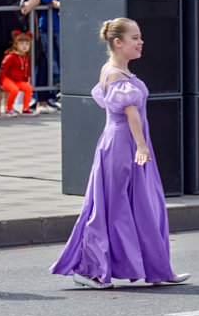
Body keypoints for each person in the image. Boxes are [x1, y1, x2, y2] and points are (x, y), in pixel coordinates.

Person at [50, 18, 190, 289]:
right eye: (135, 38)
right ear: (118, 42)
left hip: (125, 144)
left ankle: (158, 269)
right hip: (122, 146)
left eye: (139, 37)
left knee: (143, 205)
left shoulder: (116, 71)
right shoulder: (114, 73)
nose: (141, 42)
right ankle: (90, 270)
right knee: (114, 208)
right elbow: (130, 113)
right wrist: (141, 146)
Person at [36, 0, 61, 113]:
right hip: (45, 28)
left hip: (58, 29)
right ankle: (56, 78)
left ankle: (58, 82)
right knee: (49, 55)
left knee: (59, 54)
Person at [0, 30, 35, 116]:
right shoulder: (11, 56)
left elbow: (27, 70)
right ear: (16, 45)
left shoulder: (26, 58)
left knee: (28, 88)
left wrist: (26, 79)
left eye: (27, 44)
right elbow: (3, 69)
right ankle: (8, 109)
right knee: (14, 90)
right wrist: (0, 82)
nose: (24, 47)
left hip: (17, 80)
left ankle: (26, 108)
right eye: (21, 44)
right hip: (7, 79)